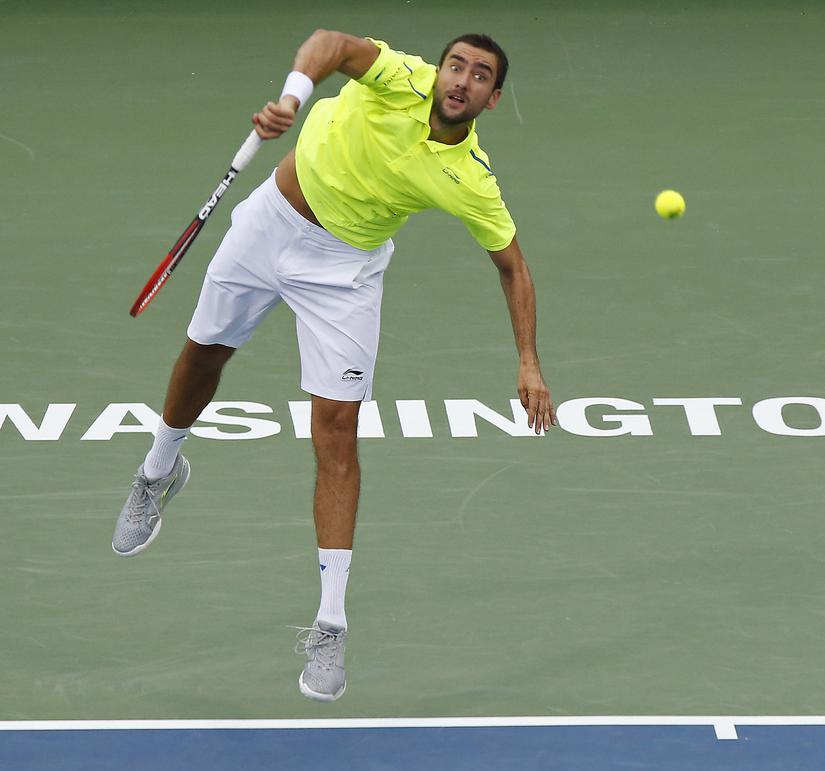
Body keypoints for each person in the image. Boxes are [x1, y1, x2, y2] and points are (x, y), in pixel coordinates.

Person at [111, 29, 556, 702]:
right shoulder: (401, 78)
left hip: (343, 274)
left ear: (494, 100)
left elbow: (514, 268)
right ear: (439, 72)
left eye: (480, 76)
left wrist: (529, 363)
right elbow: (331, 44)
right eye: (456, 66)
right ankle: (157, 470)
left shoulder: (470, 178)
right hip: (269, 226)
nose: (462, 80)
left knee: (337, 433)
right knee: (203, 357)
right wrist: (292, 97)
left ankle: (330, 624)